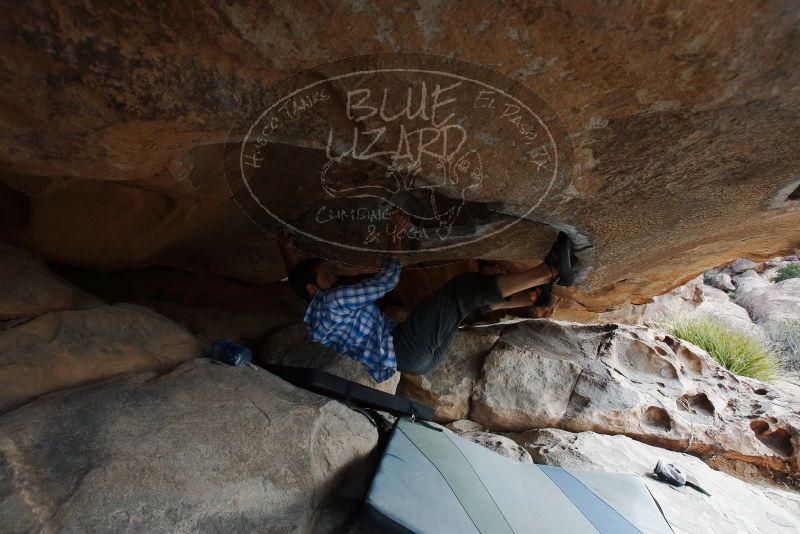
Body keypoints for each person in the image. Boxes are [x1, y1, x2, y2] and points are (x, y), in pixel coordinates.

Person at [278, 213, 575, 383]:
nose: (335, 277)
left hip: (416, 363)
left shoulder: (316, 317)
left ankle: (533, 299)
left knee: (461, 306)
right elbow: (387, 280)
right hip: (402, 345)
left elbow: (300, 284)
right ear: (314, 289)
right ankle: (548, 270)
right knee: (461, 290)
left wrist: (285, 249)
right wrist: (394, 234)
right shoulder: (333, 301)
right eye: (326, 276)